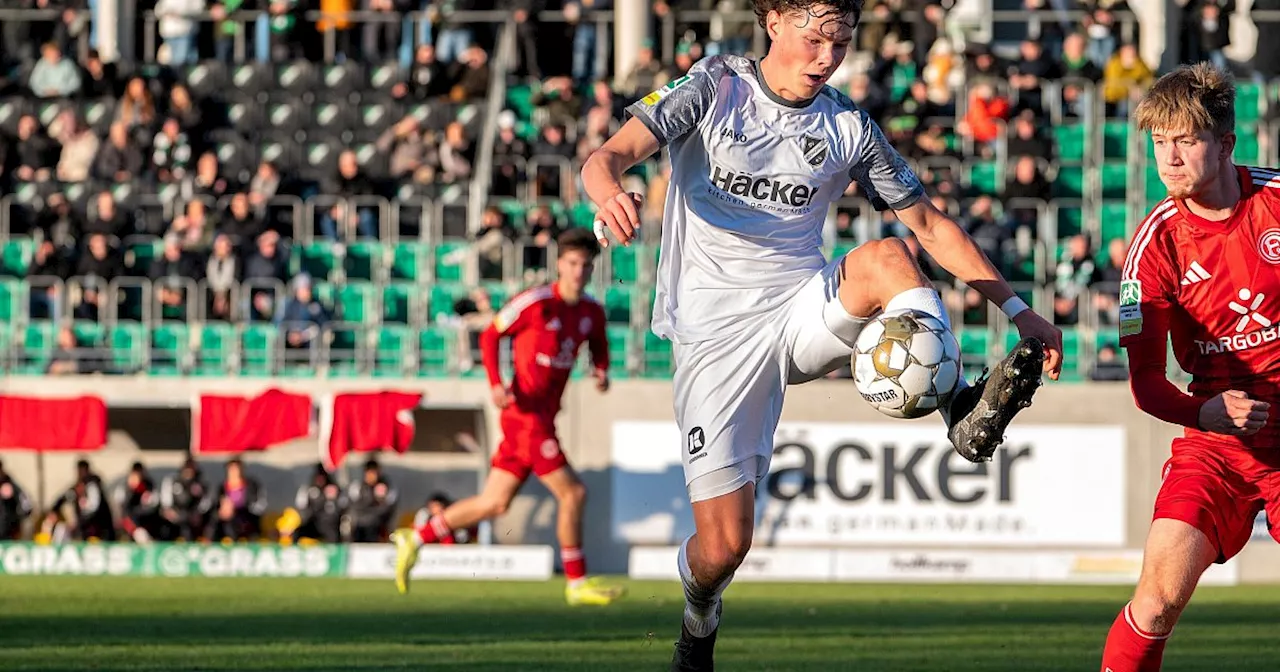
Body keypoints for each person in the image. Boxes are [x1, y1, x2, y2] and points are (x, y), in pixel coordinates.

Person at [579, 2, 1064, 669]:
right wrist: (609, 193)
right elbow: (605, 157)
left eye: (840, 42)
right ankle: (699, 619)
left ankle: (959, 407)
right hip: (715, 336)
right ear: (774, 20)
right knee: (722, 549)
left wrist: (1019, 310)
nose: (827, 57)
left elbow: (929, 225)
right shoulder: (714, 86)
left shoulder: (846, 124)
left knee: (893, 257)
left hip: (802, 309)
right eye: (815, 38)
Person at [1103, 62, 1280, 672]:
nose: (1169, 157)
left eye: (1186, 139)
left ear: (1227, 144)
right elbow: (1145, 383)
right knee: (1153, 605)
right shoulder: (1150, 249)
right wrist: (1202, 410)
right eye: (1159, 142)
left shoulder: (1278, 203)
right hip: (1216, 444)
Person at [392, 229, 624, 607]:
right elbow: (490, 335)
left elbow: (598, 342)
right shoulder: (535, 303)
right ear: (559, 264)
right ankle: (577, 581)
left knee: (494, 503)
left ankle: (416, 537)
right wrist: (496, 384)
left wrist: (602, 370)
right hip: (524, 417)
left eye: (585, 264)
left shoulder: (590, 312)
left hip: (545, 418)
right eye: (572, 263)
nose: (578, 271)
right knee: (574, 492)